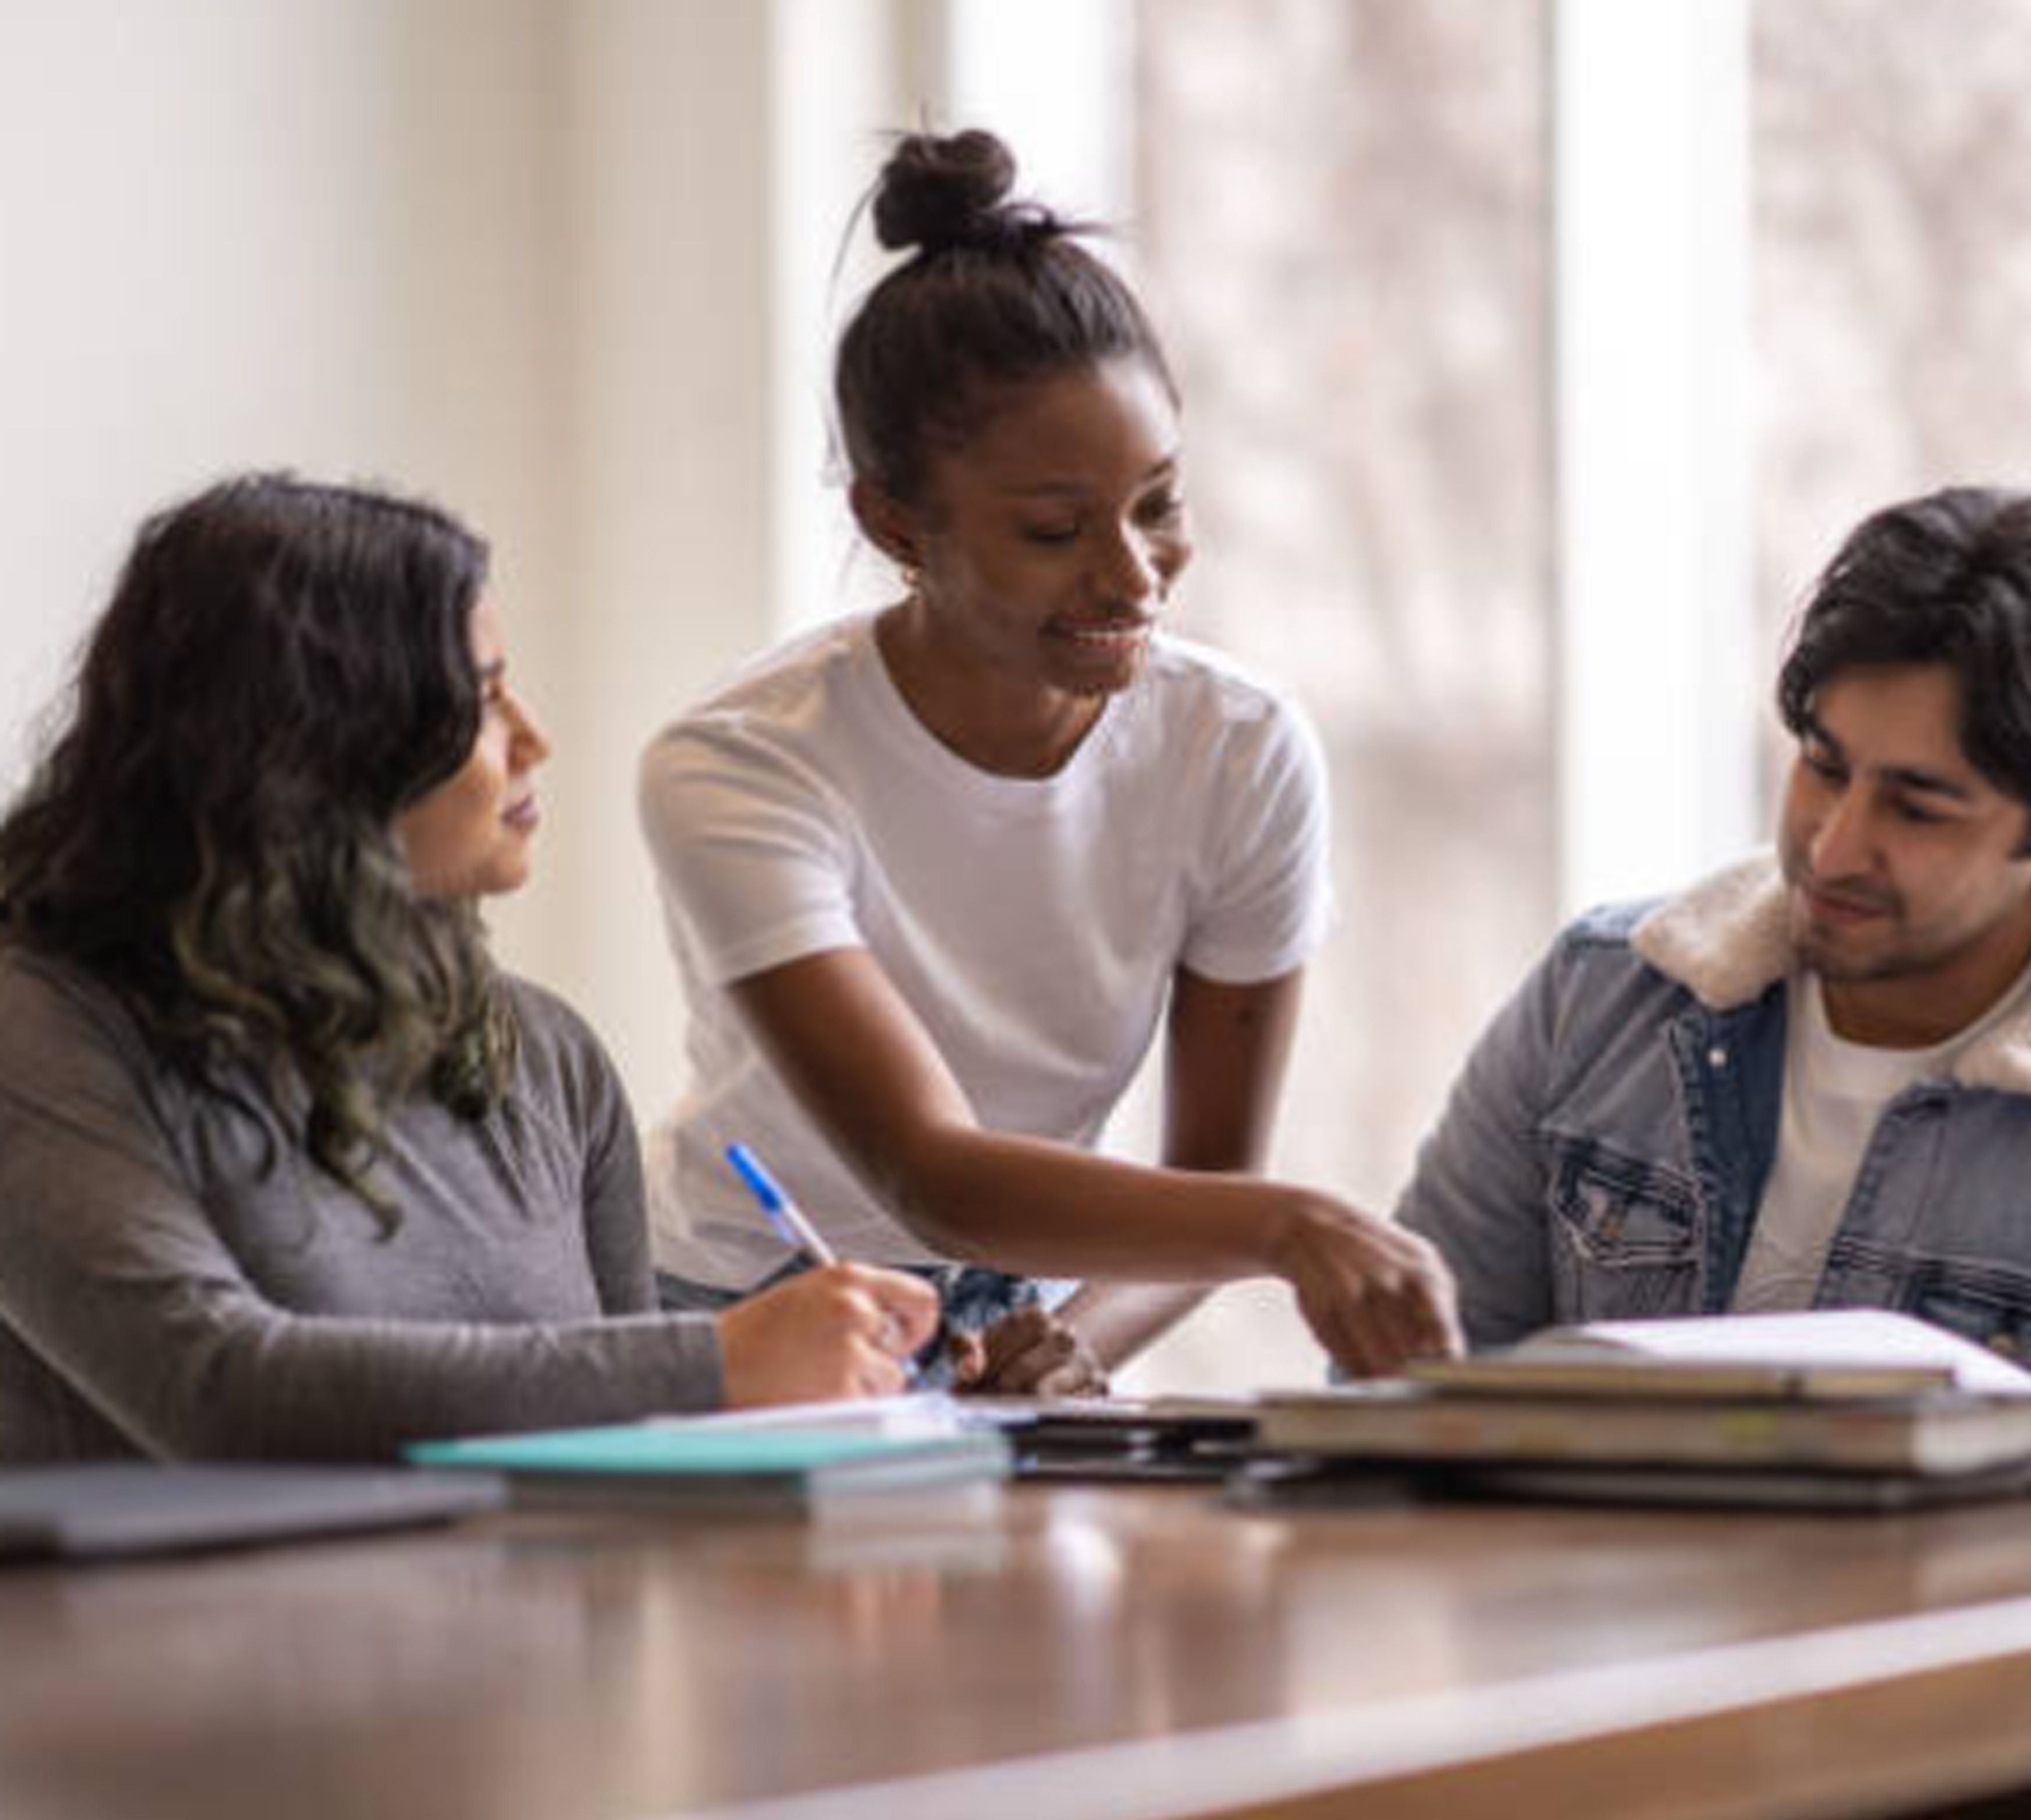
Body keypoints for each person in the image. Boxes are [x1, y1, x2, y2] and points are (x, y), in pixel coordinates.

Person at [637, 128, 1456, 1386]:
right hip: (742, 1317)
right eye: (1056, 528)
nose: (1132, 574)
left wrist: (1077, 1340)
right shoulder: (742, 765)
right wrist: (1299, 1226)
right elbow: (930, 1172)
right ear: (893, 521)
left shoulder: (1237, 754)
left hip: (1001, 1323)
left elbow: (1208, 1173)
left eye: (1160, 504)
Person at [0, 473, 945, 1464]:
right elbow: (213, 1391)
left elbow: (633, 1447)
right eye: (484, 700)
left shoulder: (548, 1057)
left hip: (527, 1617)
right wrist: (718, 1361)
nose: (534, 739)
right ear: (319, 746)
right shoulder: (44, 1025)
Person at [1396, 485, 2031, 1425]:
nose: (1834, 847)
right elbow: (1403, 1399)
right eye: (1824, 765)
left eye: (1917, 807)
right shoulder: (1595, 1003)